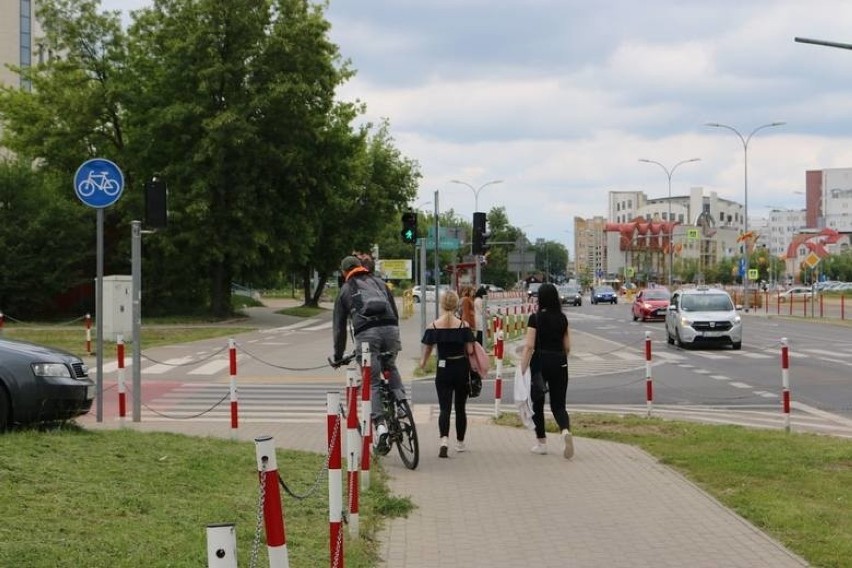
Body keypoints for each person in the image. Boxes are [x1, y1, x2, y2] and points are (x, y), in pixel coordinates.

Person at [332, 255, 404, 454]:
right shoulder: (380, 282)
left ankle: (380, 427)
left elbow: (339, 328)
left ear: (345, 272)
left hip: (367, 335)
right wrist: (392, 334)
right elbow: (395, 312)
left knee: (371, 381)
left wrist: (338, 355)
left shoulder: (345, 290)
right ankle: (402, 405)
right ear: (361, 267)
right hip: (391, 330)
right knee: (390, 366)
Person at [419, 290, 476, 458]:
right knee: (460, 408)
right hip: (461, 367)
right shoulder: (463, 326)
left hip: (443, 368)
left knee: (444, 408)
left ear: (442, 305)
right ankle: (460, 443)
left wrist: (422, 363)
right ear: (456, 304)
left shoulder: (434, 326)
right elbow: (471, 350)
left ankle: (444, 440)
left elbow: (428, 348)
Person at [519, 282, 573, 459]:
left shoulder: (535, 319)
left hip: (540, 363)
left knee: (538, 404)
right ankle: (565, 430)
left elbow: (529, 346)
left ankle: (541, 443)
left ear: (540, 299)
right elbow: (567, 347)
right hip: (560, 362)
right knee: (559, 405)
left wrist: (523, 368)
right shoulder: (562, 318)